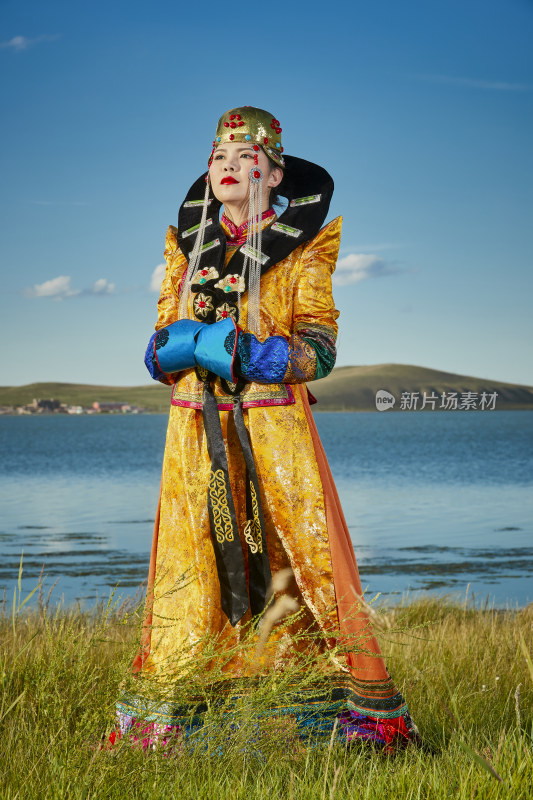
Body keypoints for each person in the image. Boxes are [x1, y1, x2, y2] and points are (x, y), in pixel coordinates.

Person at [114, 106, 418, 750]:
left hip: (274, 437)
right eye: (217, 158)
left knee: (292, 558)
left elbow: (321, 352)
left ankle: (328, 720)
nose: (226, 166)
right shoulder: (185, 249)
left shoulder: (304, 251)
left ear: (274, 175)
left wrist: (252, 357)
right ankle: (177, 722)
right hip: (193, 437)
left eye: (242, 158)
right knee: (192, 559)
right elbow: (153, 348)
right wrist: (167, 351)